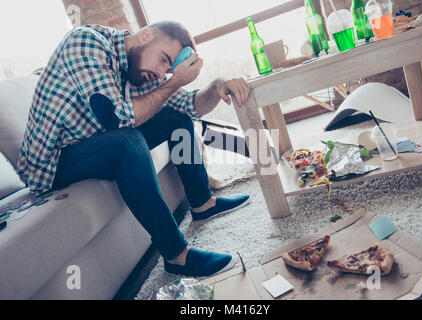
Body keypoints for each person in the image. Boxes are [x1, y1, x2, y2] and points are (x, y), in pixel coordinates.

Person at [16, 21, 252, 277]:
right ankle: (177, 256)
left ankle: (201, 202)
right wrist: (173, 83)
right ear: (146, 35)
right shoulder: (86, 42)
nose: (162, 73)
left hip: (95, 142)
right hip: (55, 162)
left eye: (168, 69)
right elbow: (116, 119)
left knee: (175, 117)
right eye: (163, 60)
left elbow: (191, 106)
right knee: (127, 141)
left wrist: (218, 85)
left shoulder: (136, 69)